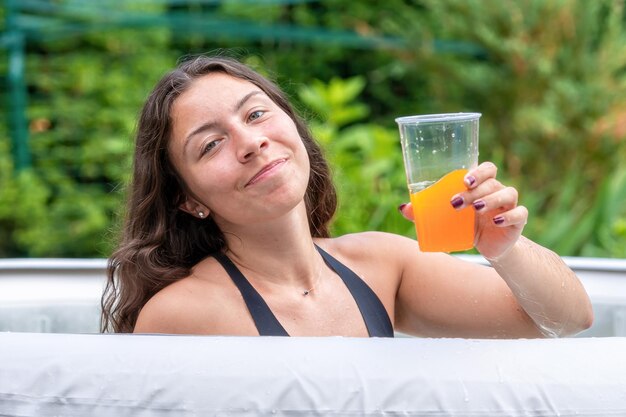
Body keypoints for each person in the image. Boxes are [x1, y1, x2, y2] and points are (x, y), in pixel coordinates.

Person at [101, 55, 593, 338]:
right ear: (188, 199)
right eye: (211, 145)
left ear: (292, 125)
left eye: (255, 115)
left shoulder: (381, 265)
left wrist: (505, 250)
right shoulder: (183, 314)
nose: (250, 143)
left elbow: (566, 320)